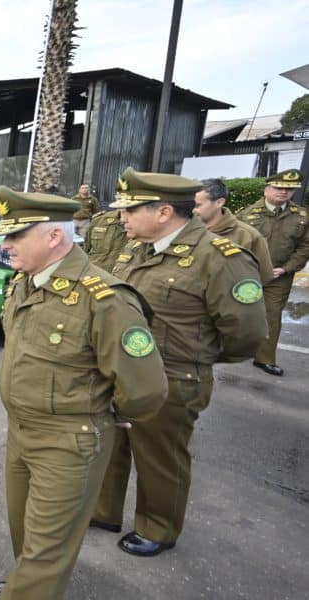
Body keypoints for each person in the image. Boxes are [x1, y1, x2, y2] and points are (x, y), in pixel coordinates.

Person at [0, 186, 167, 600]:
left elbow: (147, 387)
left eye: (15, 236)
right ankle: (28, 585)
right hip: (21, 433)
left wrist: (107, 411)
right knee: (24, 532)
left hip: (69, 442)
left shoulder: (104, 299)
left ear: (53, 237)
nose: (5, 244)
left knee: (48, 547)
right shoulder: (24, 283)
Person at [92, 167, 266, 557]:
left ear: (164, 212)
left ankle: (158, 528)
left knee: (160, 457)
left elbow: (248, 335)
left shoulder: (219, 258)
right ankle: (105, 511)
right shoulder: (136, 248)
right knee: (113, 443)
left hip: (174, 376)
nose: (122, 217)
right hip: (124, 373)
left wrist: (198, 355)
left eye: (130, 210)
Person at [235, 169, 309, 376]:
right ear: (267, 189)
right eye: (279, 188)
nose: (284, 192)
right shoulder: (246, 214)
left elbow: (304, 247)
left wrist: (286, 268)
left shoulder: (302, 216)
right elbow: (232, 244)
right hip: (247, 273)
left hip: (279, 277)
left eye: (289, 189)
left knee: (272, 315)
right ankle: (230, 349)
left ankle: (264, 358)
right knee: (235, 312)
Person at [194, 178, 274, 284]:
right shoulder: (180, 229)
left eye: (197, 205)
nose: (191, 210)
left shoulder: (247, 235)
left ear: (219, 202)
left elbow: (264, 275)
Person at [83, 208, 127, 273]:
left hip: (123, 278)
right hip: (95, 275)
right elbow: (87, 249)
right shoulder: (100, 220)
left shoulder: (143, 226)